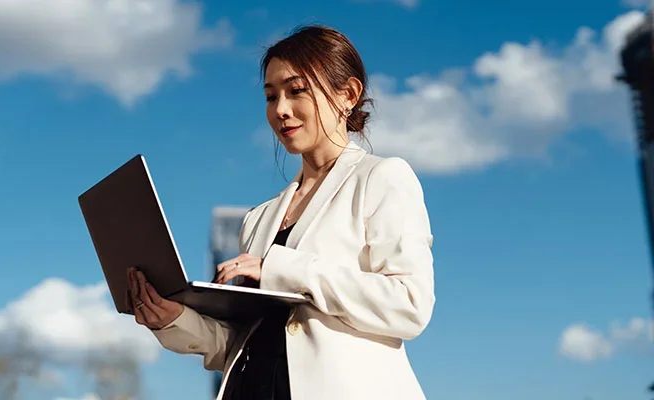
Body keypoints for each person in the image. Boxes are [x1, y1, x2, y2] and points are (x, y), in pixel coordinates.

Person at [127, 25, 435, 400]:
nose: (281, 110)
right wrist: (173, 319)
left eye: (296, 90)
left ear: (348, 95)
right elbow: (239, 345)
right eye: (271, 97)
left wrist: (279, 268)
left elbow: (409, 304)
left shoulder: (382, 178)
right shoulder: (258, 219)